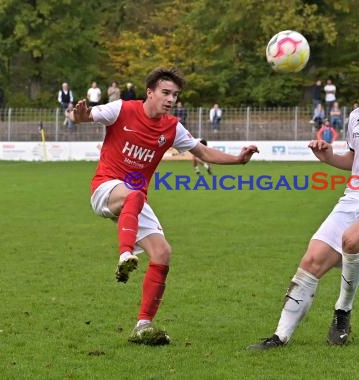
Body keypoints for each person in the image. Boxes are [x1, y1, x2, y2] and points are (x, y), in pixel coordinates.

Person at [248, 49, 359, 350]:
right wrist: (328, 156)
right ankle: (279, 337)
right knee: (311, 260)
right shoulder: (356, 116)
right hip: (354, 195)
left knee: (353, 239)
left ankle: (342, 310)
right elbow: (353, 161)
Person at [69, 68, 259, 346]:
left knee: (162, 253)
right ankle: (124, 255)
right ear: (150, 92)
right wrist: (79, 115)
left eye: (175, 95)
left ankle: (143, 326)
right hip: (106, 188)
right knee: (134, 195)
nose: (171, 99)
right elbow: (84, 116)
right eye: (165, 93)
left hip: (134, 198)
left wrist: (239, 160)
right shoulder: (122, 109)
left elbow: (203, 152)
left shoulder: (172, 127)